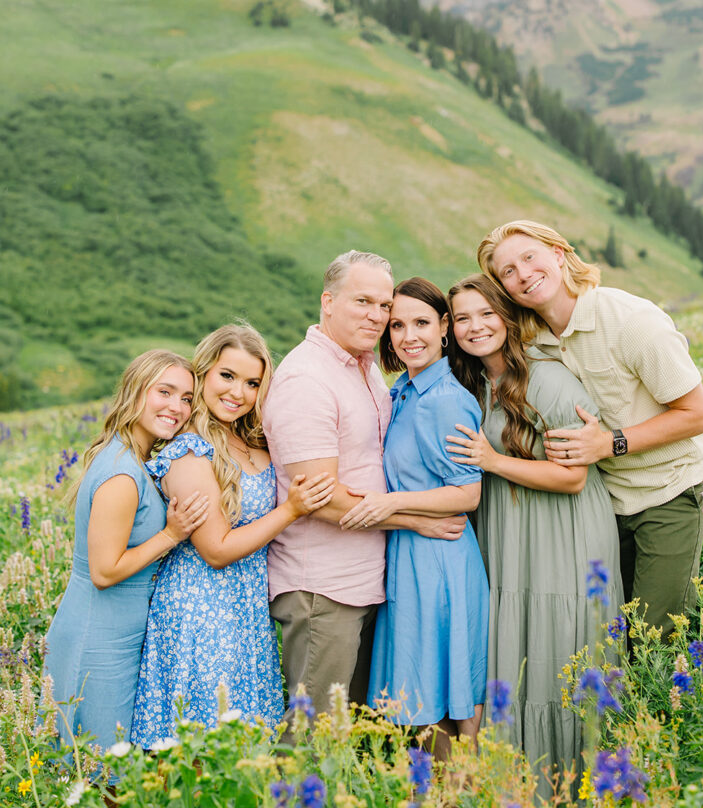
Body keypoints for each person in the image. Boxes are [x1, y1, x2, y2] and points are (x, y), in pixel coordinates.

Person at [478, 220, 703, 642]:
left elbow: (698, 414)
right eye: (507, 272)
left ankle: (663, 710)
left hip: (668, 492)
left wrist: (609, 443)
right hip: (605, 504)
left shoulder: (631, 320)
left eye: (529, 257)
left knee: (653, 638)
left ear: (559, 252)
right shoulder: (533, 341)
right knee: (607, 634)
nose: (523, 274)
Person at [262, 251, 467, 719]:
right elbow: (321, 497)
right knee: (314, 730)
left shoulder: (364, 366)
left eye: (383, 305)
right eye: (363, 302)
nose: (377, 316)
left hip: (366, 579)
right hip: (323, 588)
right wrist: (417, 520)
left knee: (353, 728)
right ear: (328, 301)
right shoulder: (306, 379)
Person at [446, 274, 621, 795]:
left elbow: (571, 477)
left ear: (507, 316)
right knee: (516, 650)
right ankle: (517, 796)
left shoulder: (550, 381)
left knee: (554, 649)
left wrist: (492, 461)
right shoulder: (476, 381)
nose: (475, 326)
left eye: (485, 313)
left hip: (562, 533)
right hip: (509, 527)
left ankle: (575, 797)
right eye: (462, 318)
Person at [131, 324, 334, 744]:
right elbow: (216, 550)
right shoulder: (190, 450)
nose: (238, 392)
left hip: (244, 611)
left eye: (252, 382)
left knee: (245, 744)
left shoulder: (247, 440)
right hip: (201, 611)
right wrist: (291, 510)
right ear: (204, 373)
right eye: (227, 376)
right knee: (206, 746)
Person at [342, 277, 489, 758]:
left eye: (422, 323)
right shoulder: (403, 390)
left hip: (440, 557)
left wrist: (392, 506)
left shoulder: (444, 399)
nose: (409, 336)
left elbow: (468, 493)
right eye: (397, 325)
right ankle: (435, 799)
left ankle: (462, 794)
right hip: (410, 550)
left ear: (444, 327)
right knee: (421, 682)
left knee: (439, 681)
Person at [42, 350, 209, 756]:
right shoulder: (121, 473)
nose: (177, 407)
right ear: (135, 392)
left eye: (187, 398)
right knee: (100, 778)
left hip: (115, 636)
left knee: (102, 773)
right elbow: (104, 571)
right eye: (164, 392)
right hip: (98, 642)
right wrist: (172, 534)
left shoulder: (131, 457)